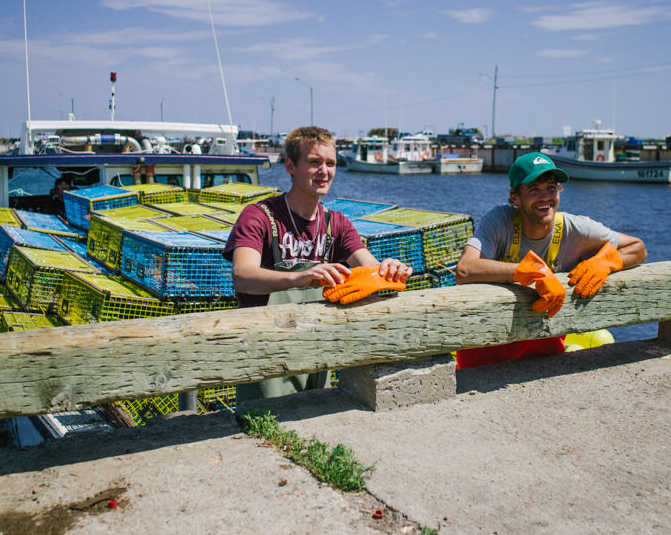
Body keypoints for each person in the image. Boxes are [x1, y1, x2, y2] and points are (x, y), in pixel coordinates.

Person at [222, 126, 412, 400]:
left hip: (315, 353)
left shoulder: (337, 223)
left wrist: (389, 271)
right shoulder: (259, 216)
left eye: (331, 163)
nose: (324, 171)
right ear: (290, 166)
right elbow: (243, 276)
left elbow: (369, 269)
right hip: (263, 351)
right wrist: (297, 278)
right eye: (314, 162)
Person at [454, 152, 646, 369]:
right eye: (534, 189)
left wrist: (606, 262)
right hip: (487, 351)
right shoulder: (499, 220)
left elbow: (637, 248)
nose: (545, 196)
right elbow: (465, 269)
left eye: (551, 188)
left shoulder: (576, 229)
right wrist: (530, 272)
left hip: (544, 351)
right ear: (514, 197)